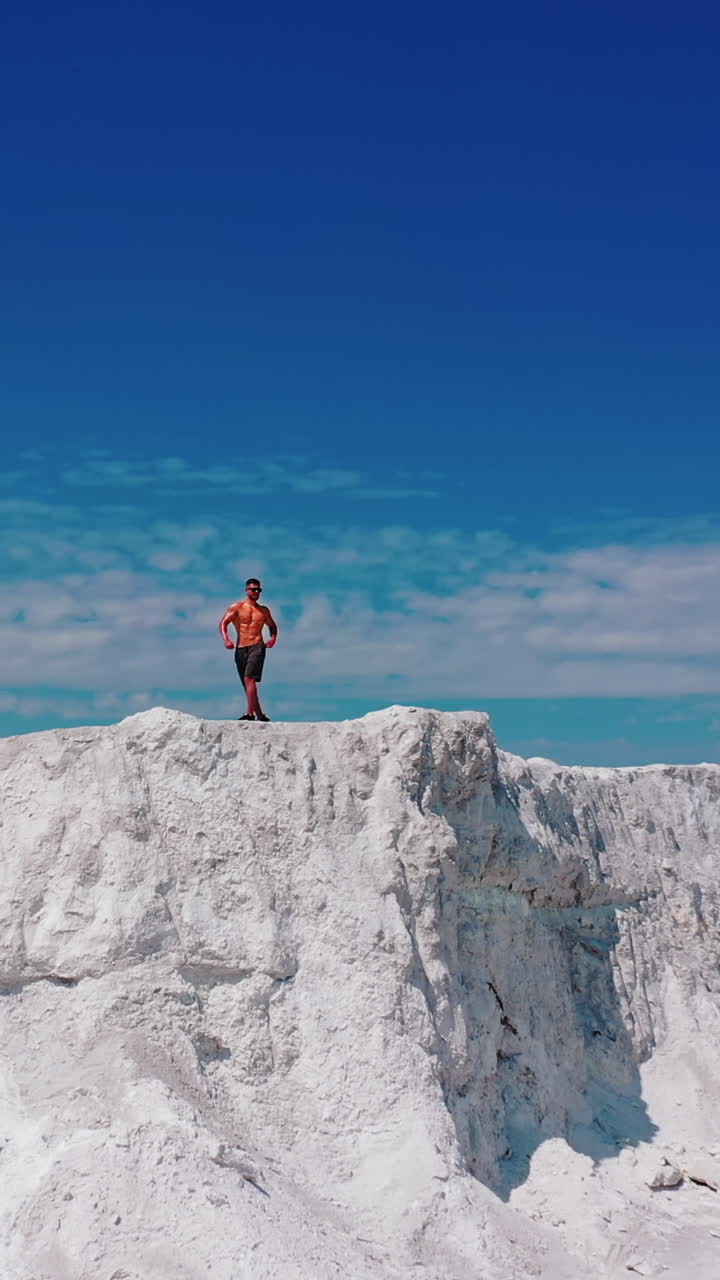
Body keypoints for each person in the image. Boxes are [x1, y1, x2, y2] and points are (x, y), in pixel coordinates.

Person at [219, 578, 278, 721]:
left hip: (257, 646)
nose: (256, 592)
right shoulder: (237, 607)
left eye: (259, 589)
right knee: (247, 684)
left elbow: (272, 626)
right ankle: (260, 714)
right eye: (253, 589)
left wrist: (273, 639)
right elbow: (223, 623)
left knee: (249, 678)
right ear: (247, 590)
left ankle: (249, 714)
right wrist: (226, 639)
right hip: (240, 648)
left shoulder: (263, 610)